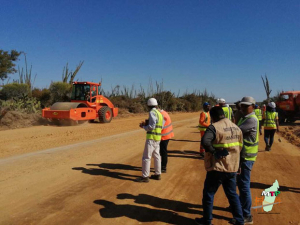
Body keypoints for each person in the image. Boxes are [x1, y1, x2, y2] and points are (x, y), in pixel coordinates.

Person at [195, 106, 244, 225]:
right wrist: (239, 164)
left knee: (208, 194)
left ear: (213, 117)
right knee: (232, 194)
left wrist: (214, 152)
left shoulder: (214, 127)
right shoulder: (236, 128)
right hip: (232, 167)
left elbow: (205, 141)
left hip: (218, 167)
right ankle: (239, 220)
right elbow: (241, 148)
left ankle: (207, 221)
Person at [236, 96, 259, 224]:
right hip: (243, 155)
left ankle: (247, 215)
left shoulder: (251, 119)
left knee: (244, 185)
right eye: (242, 106)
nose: (243, 108)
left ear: (253, 106)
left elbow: (236, 131)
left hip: (247, 156)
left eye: (246, 106)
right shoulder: (245, 118)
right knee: (240, 183)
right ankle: (241, 207)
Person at [136, 98, 164, 183]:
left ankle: (145, 177)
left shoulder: (152, 112)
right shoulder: (160, 113)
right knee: (157, 156)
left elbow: (152, 126)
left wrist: (144, 127)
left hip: (151, 138)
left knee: (146, 157)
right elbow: (161, 126)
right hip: (158, 138)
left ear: (148, 105)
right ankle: (157, 174)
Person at [159, 109, 174, 173]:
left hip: (164, 136)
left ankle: (163, 167)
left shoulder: (162, 115)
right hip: (167, 135)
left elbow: (160, 127)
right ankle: (162, 166)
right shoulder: (164, 112)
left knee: (163, 152)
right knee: (162, 151)